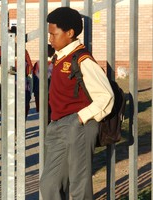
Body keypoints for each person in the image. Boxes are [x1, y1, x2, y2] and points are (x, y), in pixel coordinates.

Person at [39, 7, 114, 200]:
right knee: (49, 185)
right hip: (58, 126)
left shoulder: (82, 59)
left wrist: (79, 119)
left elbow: (106, 96)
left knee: (79, 187)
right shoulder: (60, 56)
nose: (50, 38)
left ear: (70, 33)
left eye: (53, 34)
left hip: (78, 126)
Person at [32, 44, 54, 113]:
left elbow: (34, 78)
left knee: (42, 113)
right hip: (52, 93)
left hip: (39, 91)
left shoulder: (37, 64)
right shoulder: (56, 64)